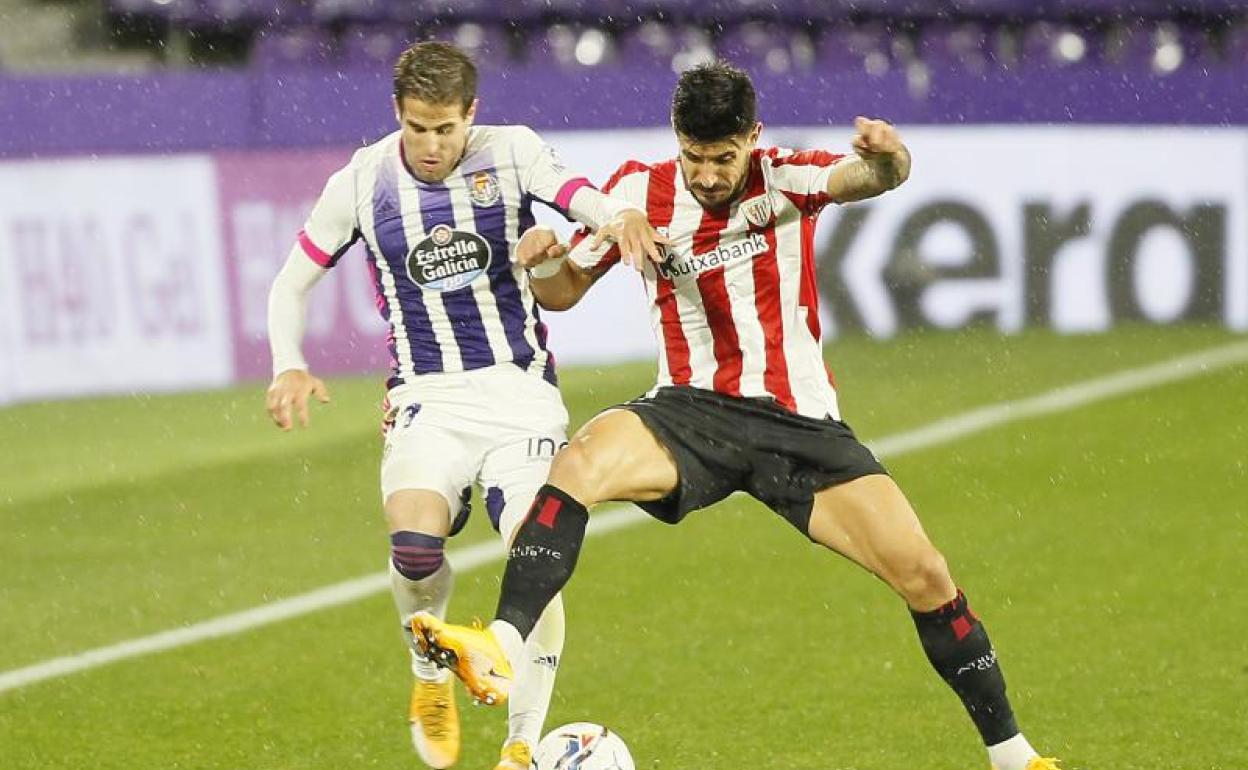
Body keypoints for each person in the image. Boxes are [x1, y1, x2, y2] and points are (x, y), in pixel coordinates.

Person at [412, 61, 1061, 770]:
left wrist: (890, 157)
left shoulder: (783, 177)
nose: (711, 174)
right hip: (690, 413)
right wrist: (540, 265)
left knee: (927, 575)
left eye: (725, 158)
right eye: (696, 156)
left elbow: (867, 177)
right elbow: (565, 291)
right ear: (676, 140)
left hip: (798, 426)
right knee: (578, 463)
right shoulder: (639, 192)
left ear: (753, 137)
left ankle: (1014, 755)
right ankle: (500, 644)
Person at [264, 41, 664, 770]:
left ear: (470, 115)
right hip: (427, 398)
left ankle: (519, 744)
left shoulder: (511, 153)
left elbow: (580, 193)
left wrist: (621, 216)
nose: (430, 145)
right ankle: (429, 681)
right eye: (417, 128)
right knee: (414, 548)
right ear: (398, 114)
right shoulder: (362, 180)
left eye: (445, 129)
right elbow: (289, 283)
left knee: (531, 550)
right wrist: (289, 364)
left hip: (520, 395)